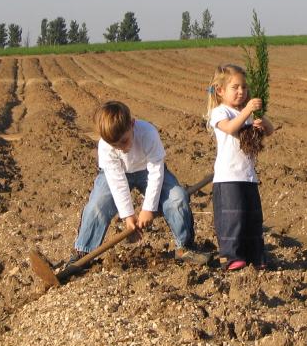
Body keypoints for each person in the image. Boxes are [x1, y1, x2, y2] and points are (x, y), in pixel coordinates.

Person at [68, 100, 209, 266]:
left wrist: (148, 209)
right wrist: (128, 216)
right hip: (118, 173)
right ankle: (83, 252)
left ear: (132, 124)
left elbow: (156, 171)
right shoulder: (106, 145)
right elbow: (117, 181)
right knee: (98, 204)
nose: (121, 148)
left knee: (177, 198)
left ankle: (185, 246)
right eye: (115, 145)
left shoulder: (148, 133)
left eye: (124, 141)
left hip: (148, 170)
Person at [206, 64, 274, 270]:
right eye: (235, 87)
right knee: (232, 218)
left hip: (248, 176)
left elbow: (270, 131)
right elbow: (230, 128)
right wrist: (247, 111)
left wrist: (262, 122)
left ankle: (255, 255)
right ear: (220, 90)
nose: (241, 91)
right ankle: (231, 256)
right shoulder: (220, 112)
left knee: (252, 217)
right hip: (228, 178)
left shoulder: (246, 113)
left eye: (243, 87)